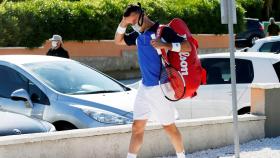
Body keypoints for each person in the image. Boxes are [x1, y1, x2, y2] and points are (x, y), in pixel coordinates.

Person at [114, 3, 192, 158]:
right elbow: (118, 41)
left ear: (143, 16)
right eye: (131, 23)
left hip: (160, 88)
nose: (133, 25)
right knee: (137, 127)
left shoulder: (162, 31)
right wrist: (123, 23)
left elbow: (188, 46)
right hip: (144, 88)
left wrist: (165, 45)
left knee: (169, 127)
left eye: (134, 21)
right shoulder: (137, 35)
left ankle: (182, 156)